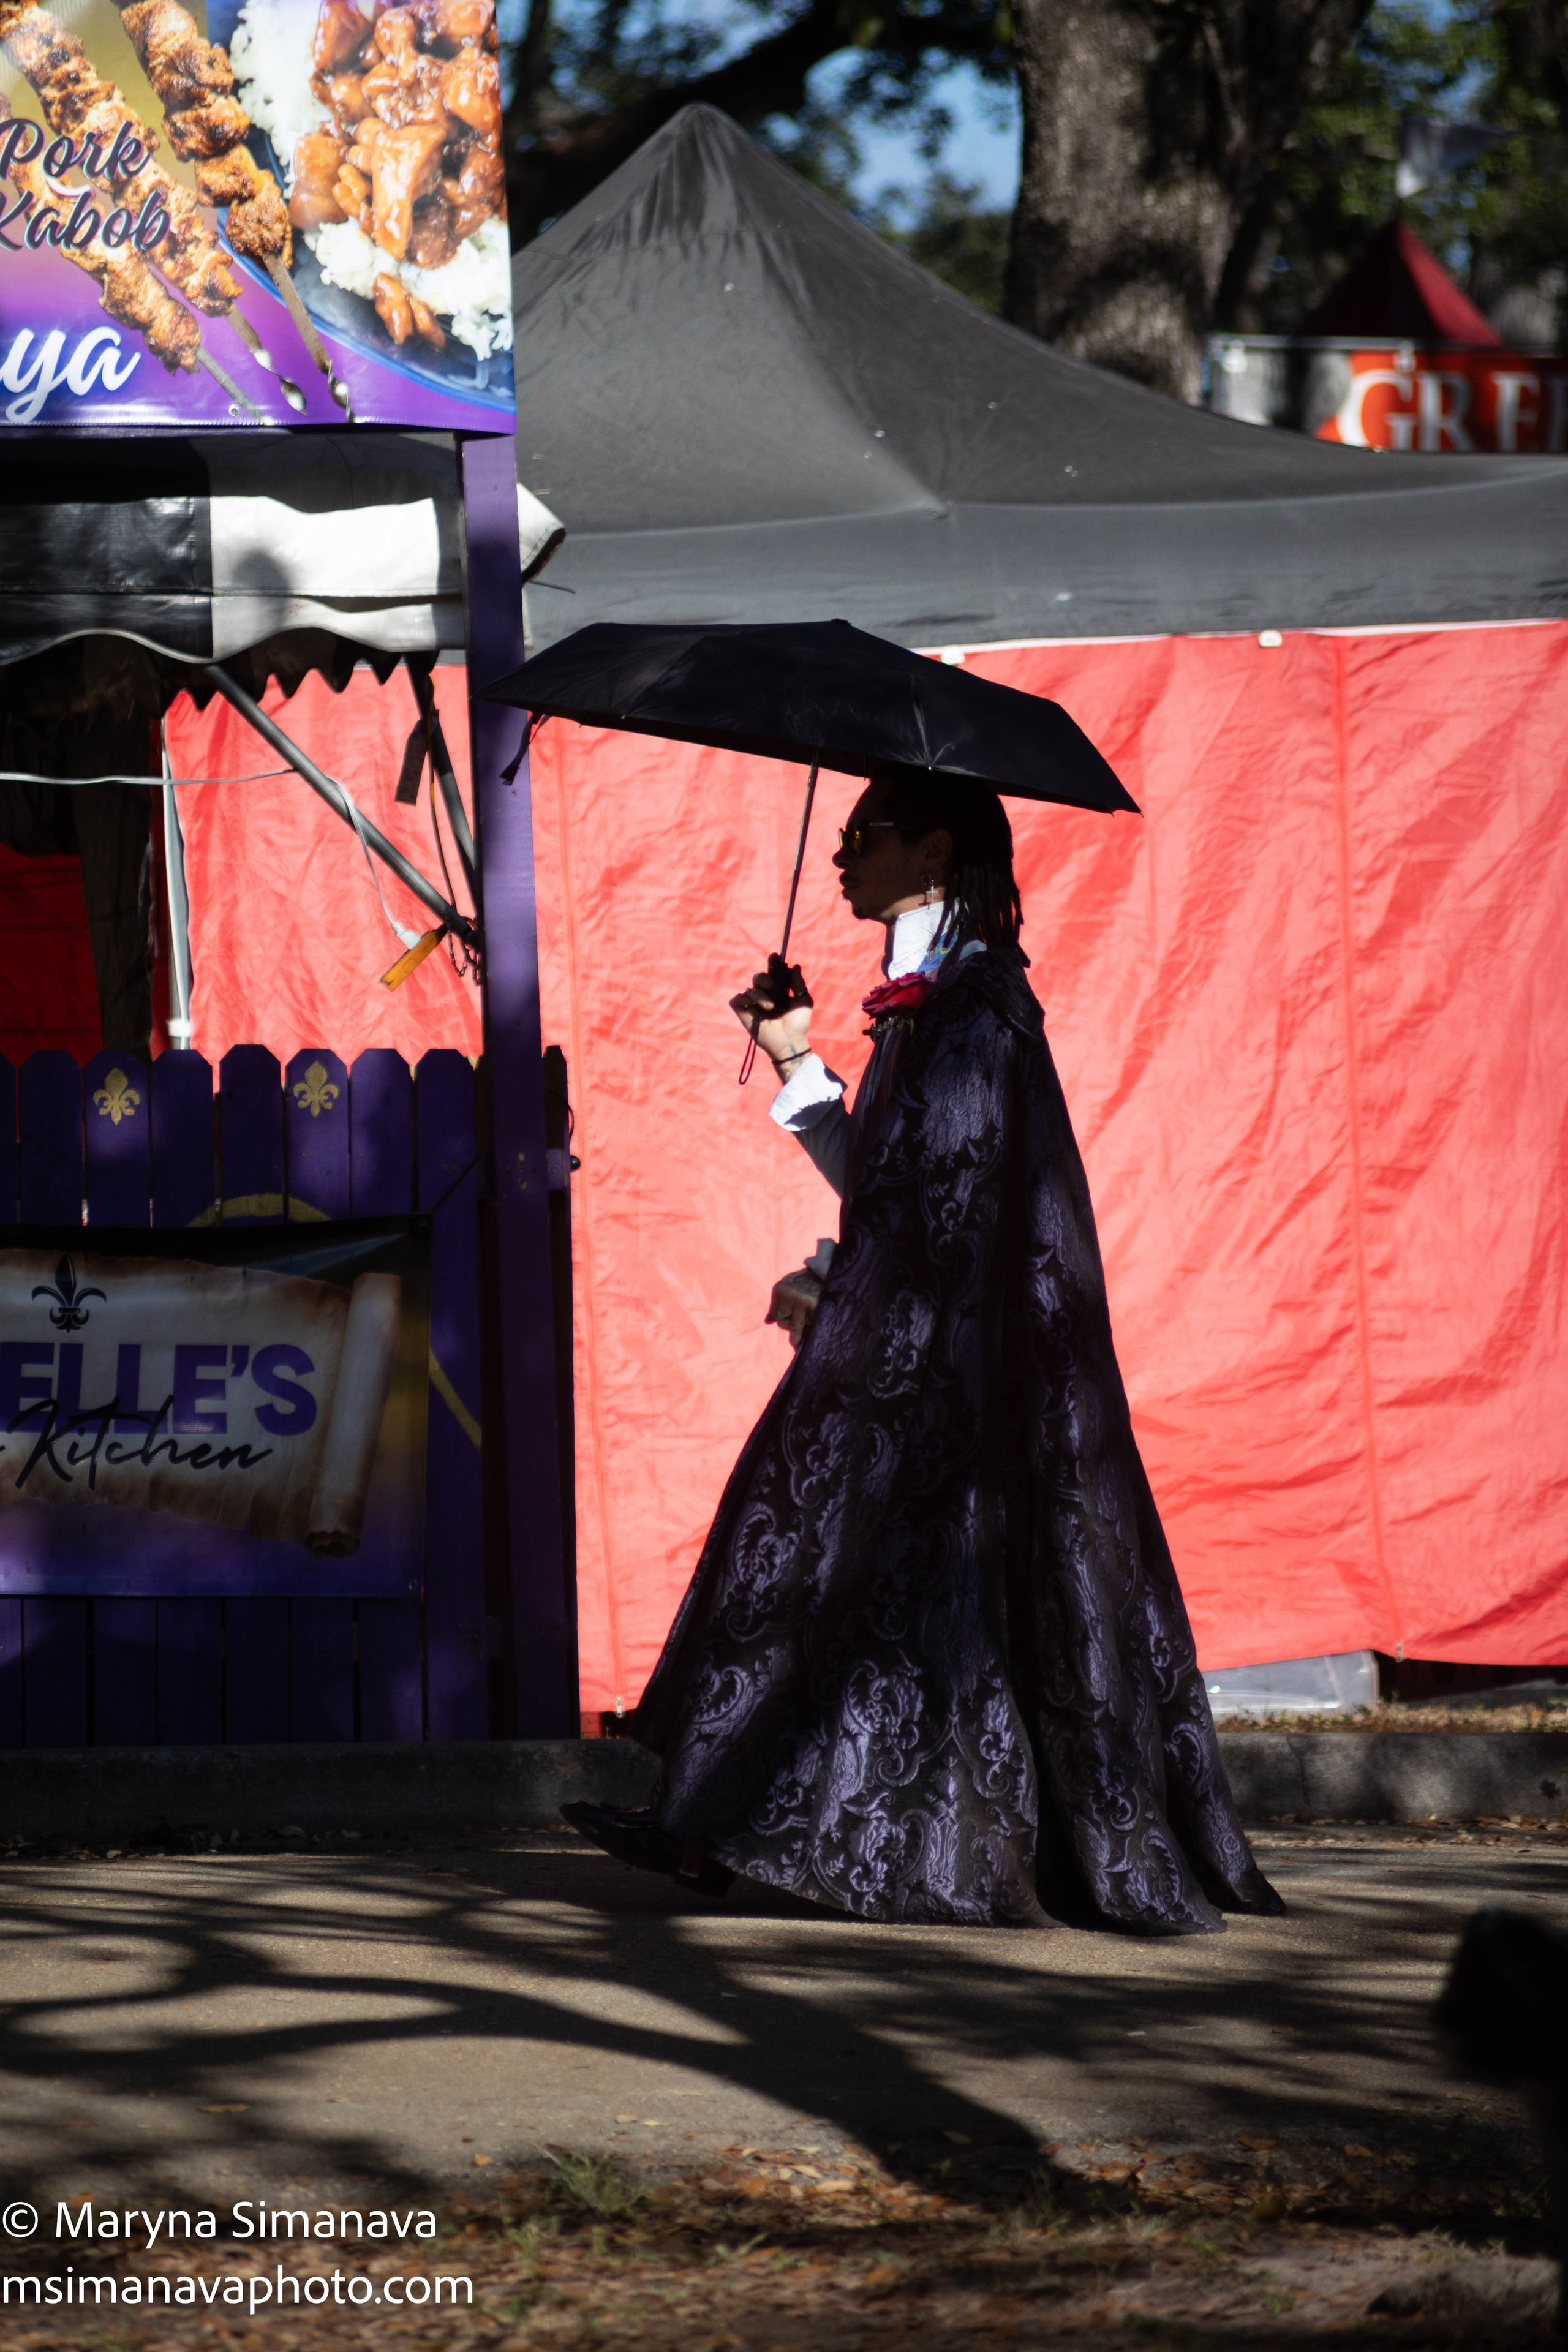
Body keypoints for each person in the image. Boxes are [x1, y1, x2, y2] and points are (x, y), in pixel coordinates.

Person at [564, 764, 1283, 1933]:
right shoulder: (923, 994)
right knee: (815, 1563)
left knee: (854, 1573)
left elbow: (951, 1198)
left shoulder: (976, 1001)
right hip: (905, 1350)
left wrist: (836, 1275)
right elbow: (891, 1178)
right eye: (842, 836)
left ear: (934, 853)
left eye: (867, 834)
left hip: (943, 1366)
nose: (843, 855)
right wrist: (798, 1059)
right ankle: (706, 1828)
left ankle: (737, 1833)